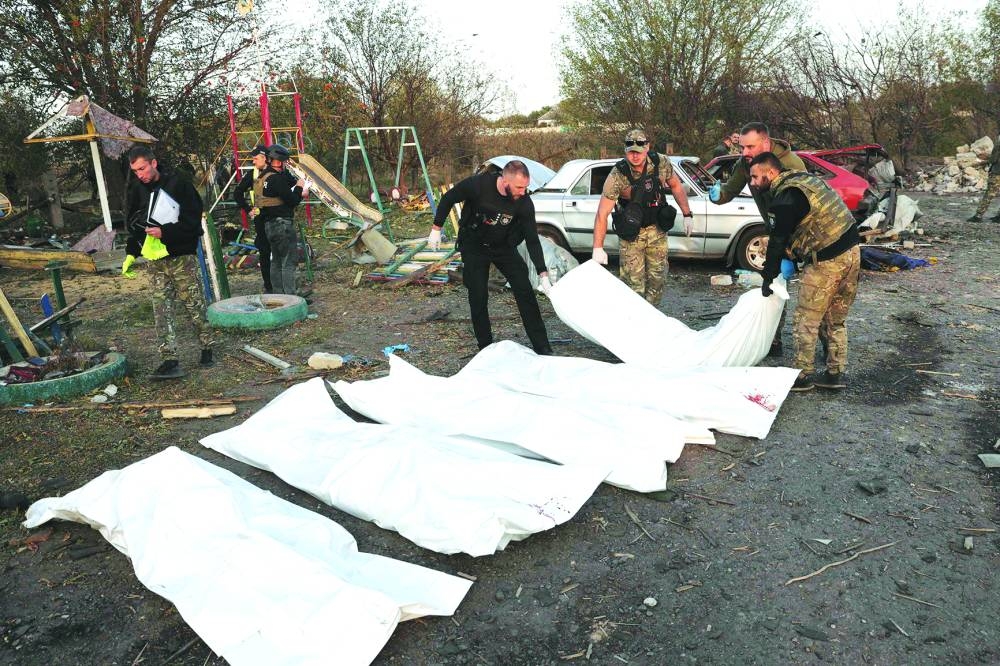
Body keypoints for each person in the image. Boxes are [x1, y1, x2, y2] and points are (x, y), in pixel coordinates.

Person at [749, 152, 861, 392]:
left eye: (756, 177)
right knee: (835, 320)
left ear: (771, 173)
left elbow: (778, 240)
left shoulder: (785, 198)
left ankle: (803, 375)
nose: (753, 183)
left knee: (806, 319)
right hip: (853, 253)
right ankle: (835, 373)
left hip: (826, 262)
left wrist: (768, 277)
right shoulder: (804, 179)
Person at [426, 160, 554, 355]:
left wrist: (542, 273)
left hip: (503, 247)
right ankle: (485, 348)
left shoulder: (524, 202)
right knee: (478, 296)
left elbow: (532, 239)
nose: (523, 191)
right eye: (519, 187)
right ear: (505, 181)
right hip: (474, 246)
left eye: (526, 187)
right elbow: (449, 198)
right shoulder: (478, 185)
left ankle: (542, 346)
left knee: (525, 290)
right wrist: (436, 227)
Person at [709, 121, 806, 357]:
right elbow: (730, 190)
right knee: (772, 284)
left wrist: (794, 250)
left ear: (765, 143)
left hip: (801, 232)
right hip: (774, 229)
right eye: (742, 147)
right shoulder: (746, 163)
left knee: (813, 294)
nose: (745, 153)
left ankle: (822, 342)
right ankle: (772, 340)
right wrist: (718, 195)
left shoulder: (791, 164)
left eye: (750, 147)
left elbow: (803, 205)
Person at [122, 145, 214, 380]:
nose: (140, 175)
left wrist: (167, 233)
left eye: (142, 168)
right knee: (161, 310)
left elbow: (193, 221)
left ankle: (207, 347)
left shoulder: (178, 184)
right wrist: (131, 252)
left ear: (153, 163)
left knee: (194, 305)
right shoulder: (136, 188)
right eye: (135, 171)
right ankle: (169, 360)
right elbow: (133, 222)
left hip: (181, 256)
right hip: (155, 260)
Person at [592, 128, 693, 306]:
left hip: (657, 231)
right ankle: (633, 323)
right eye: (631, 152)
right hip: (632, 235)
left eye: (639, 152)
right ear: (626, 151)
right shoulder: (618, 174)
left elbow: (676, 186)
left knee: (657, 280)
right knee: (632, 285)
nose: (635, 156)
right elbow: (602, 212)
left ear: (647, 147)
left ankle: (652, 319)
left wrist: (687, 214)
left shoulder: (661, 163)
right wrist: (597, 247)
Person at [254, 144, 309, 295]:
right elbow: (292, 200)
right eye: (284, 162)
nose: (285, 164)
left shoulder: (263, 177)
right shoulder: (276, 179)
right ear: (278, 161)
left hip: (269, 226)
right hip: (282, 225)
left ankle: (279, 296)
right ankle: (291, 298)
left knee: (276, 262)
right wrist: (299, 187)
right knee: (288, 262)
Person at [232, 144, 272, 292]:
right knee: (265, 251)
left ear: (265, 158)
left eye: (255, 159)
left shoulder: (277, 171)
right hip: (261, 219)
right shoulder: (252, 174)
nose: (253, 162)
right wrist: (248, 209)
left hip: (277, 219)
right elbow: (238, 193)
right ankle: (269, 285)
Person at [968, 134, 1000, 223]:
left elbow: (994, 157)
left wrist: (984, 162)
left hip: (997, 171)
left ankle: (978, 215)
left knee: (989, 194)